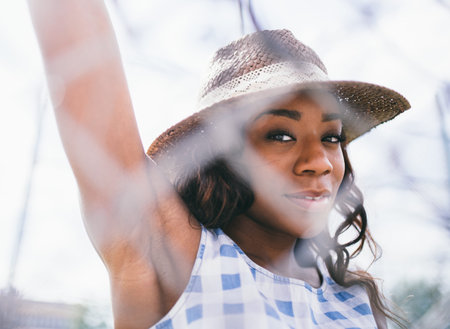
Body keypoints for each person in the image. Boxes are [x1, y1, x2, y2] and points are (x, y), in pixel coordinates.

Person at [28, 1, 410, 328]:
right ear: (220, 157)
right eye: (280, 134)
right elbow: (84, 64)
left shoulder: (355, 300)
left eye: (332, 137)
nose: (319, 162)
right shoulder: (175, 253)